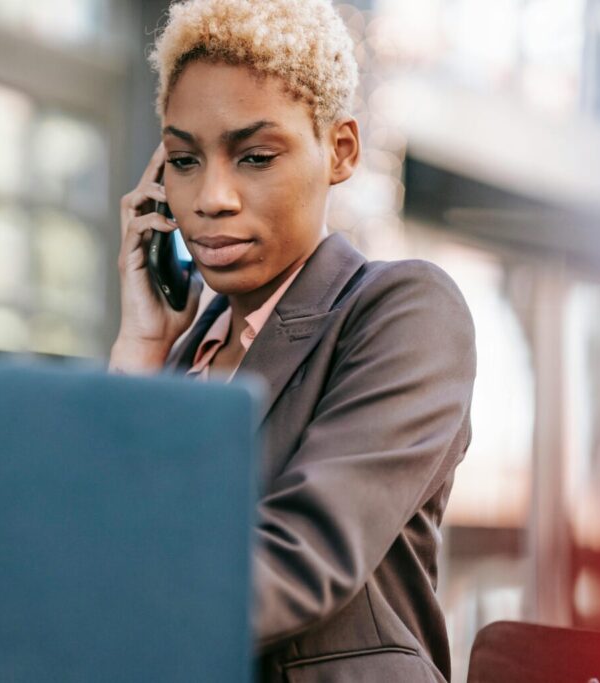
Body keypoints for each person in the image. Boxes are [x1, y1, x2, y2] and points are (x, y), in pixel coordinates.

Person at [108, 0, 476, 680]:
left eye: (254, 156)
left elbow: (304, 556)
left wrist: (75, 606)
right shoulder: (181, 359)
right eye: (184, 160)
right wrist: (140, 347)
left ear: (339, 151)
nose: (211, 197)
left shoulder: (401, 310)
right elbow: (97, 529)